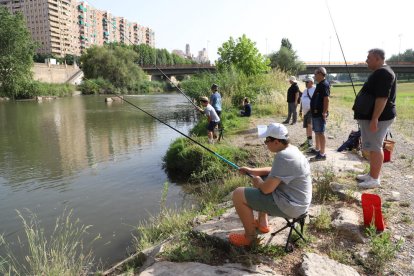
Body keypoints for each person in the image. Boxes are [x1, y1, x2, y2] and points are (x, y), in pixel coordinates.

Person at [228, 123, 312, 247]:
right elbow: (273, 171)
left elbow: (267, 189)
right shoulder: (292, 150)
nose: (265, 143)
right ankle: (263, 224)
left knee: (238, 194)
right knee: (265, 177)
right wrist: (251, 170)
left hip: (291, 206)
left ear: (277, 141)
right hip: (298, 202)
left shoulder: (283, 156)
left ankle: (250, 239)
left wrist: (259, 183)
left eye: (267, 140)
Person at [354, 49, 396, 189]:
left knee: (375, 147)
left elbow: (382, 98)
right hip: (375, 117)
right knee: (372, 147)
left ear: (378, 59)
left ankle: (374, 179)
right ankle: (372, 174)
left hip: (379, 118)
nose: (366, 60)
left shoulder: (384, 73)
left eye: (369, 58)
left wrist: (374, 118)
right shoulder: (380, 72)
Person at [309, 67, 330, 161]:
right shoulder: (320, 84)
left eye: (315, 73)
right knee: (317, 132)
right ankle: (318, 149)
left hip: (320, 114)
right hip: (315, 113)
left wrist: (324, 113)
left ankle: (322, 154)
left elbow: (326, 99)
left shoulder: (324, 84)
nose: (314, 76)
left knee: (320, 132)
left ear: (321, 73)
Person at [299, 76, 316, 148]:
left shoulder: (315, 89)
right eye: (305, 82)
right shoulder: (305, 90)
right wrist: (300, 110)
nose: (306, 83)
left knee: (309, 126)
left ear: (312, 82)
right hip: (305, 112)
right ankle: (308, 141)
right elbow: (302, 101)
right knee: (307, 126)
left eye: (307, 82)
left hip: (311, 111)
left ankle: (310, 143)